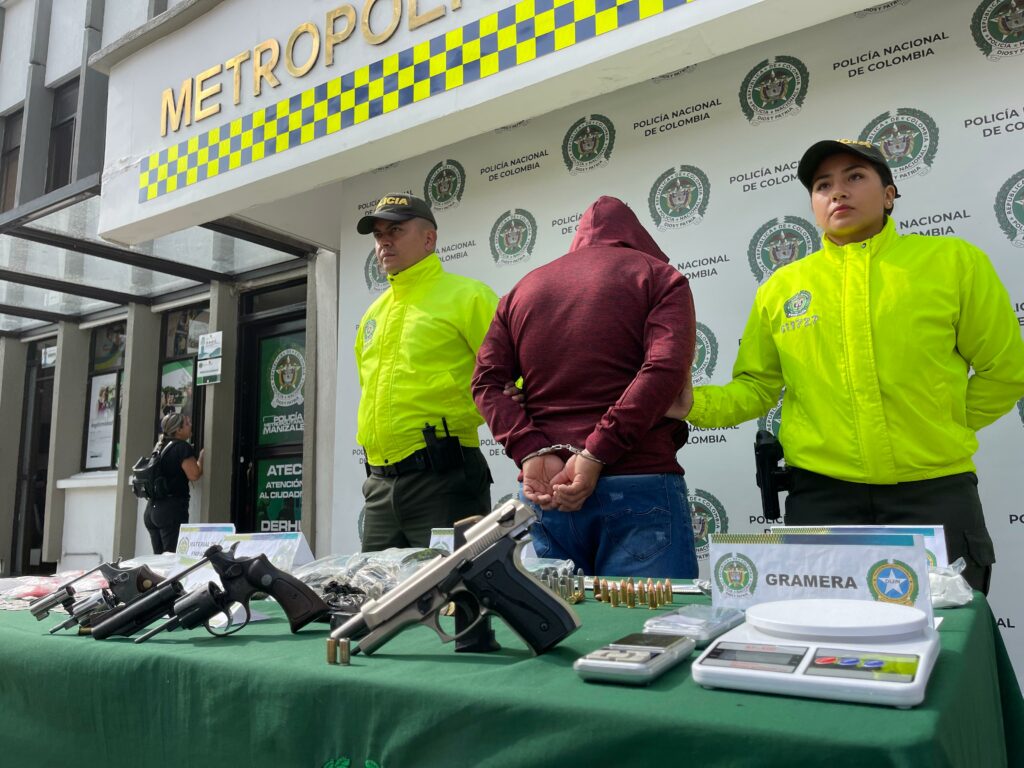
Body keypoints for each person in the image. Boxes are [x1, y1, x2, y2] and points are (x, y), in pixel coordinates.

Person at [673, 138, 1024, 593]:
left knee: (948, 637)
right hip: (821, 498)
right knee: (823, 639)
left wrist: (942, 423)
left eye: (855, 177)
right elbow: (757, 388)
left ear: (889, 194)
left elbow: (1005, 369)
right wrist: (689, 403)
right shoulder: (782, 288)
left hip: (934, 492)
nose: (837, 192)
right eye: (823, 185)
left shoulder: (954, 263)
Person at [473, 195, 699, 578]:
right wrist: (596, 453)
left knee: (558, 631)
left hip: (545, 492)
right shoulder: (659, 276)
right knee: (648, 633)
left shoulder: (521, 291)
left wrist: (530, 452)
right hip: (638, 482)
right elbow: (663, 370)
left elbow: (486, 383)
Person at [355, 193, 499, 551]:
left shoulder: (469, 296)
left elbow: (515, 378)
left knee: (456, 599)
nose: (384, 241)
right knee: (379, 599)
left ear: (429, 239)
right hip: (379, 486)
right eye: (378, 235)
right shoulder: (373, 315)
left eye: (396, 230)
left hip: (446, 477)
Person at [143, 412, 203, 554]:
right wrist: (201, 458)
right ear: (178, 430)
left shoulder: (160, 447)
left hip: (152, 510)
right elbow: (194, 474)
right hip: (171, 511)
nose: (191, 426)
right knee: (172, 560)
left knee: (158, 561)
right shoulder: (181, 447)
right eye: (187, 424)